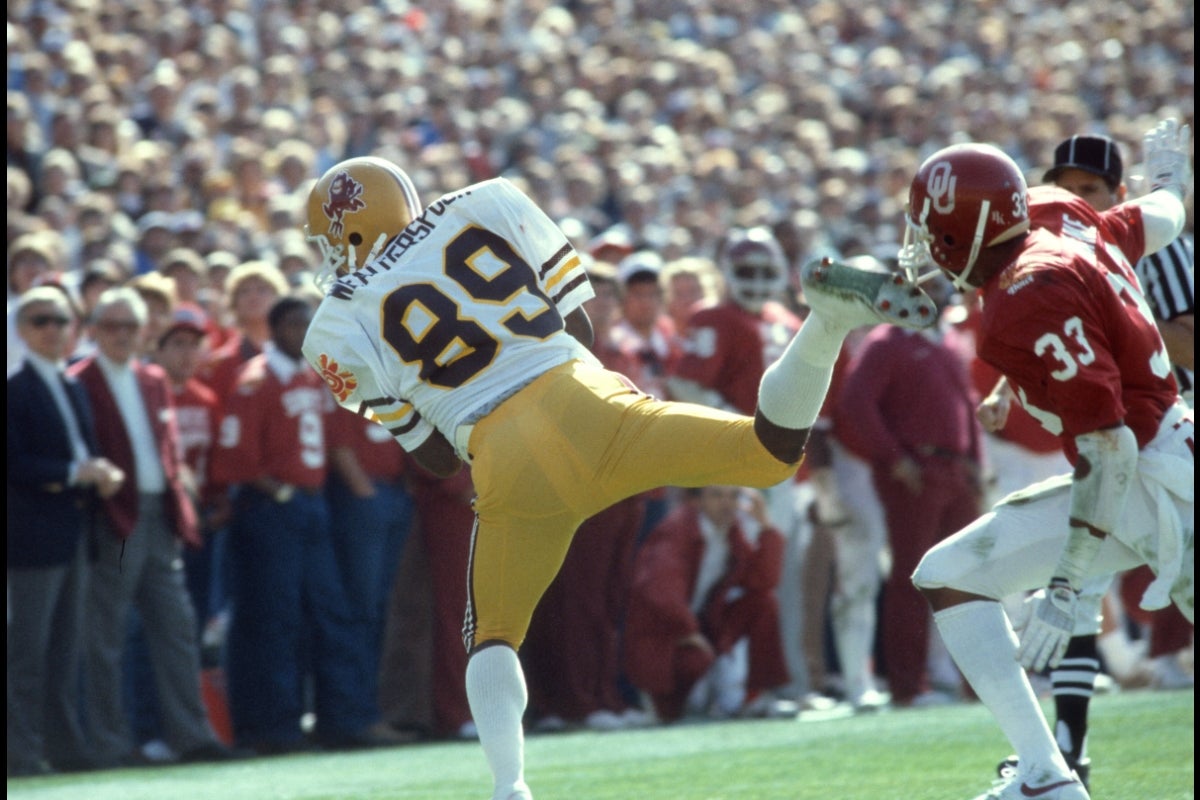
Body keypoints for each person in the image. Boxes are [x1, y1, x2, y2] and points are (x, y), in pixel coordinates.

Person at [299, 155, 935, 800]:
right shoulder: (484, 202)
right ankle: (825, 324)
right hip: (585, 400)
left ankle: (510, 786)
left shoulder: (333, 323)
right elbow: (578, 324)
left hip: (501, 453)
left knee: (492, 634)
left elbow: (432, 457)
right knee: (770, 454)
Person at [902, 118, 1193, 800]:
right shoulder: (1055, 213)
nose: (922, 247)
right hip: (1161, 456)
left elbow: (1111, 447)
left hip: (1157, 484)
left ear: (964, 232)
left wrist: (1066, 584)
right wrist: (1174, 183)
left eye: (929, 230)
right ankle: (1044, 776)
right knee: (949, 574)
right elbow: (1163, 216)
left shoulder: (1024, 299)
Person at [210, 295, 402, 754]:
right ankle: (274, 727)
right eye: (294, 324)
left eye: (308, 323)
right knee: (275, 619)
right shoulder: (256, 381)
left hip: (313, 506)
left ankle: (344, 718)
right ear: (274, 329)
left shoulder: (312, 375)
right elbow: (235, 459)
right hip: (273, 508)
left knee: (330, 612)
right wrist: (276, 491)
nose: (302, 331)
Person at [68, 287, 233, 767]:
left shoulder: (153, 378)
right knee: (107, 635)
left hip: (161, 514)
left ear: (143, 332)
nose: (121, 335)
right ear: (94, 330)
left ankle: (191, 734)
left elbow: (167, 447)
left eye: (130, 326)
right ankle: (110, 742)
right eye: (112, 325)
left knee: (177, 628)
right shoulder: (80, 379)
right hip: (116, 517)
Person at [835, 271, 984, 707]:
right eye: (925, 286)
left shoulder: (947, 340)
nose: (934, 295)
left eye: (939, 287)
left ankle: (975, 682)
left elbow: (965, 404)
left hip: (955, 471)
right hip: (916, 470)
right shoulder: (887, 341)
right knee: (911, 579)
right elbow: (855, 403)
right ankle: (906, 685)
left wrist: (975, 460)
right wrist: (894, 458)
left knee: (968, 576)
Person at [7, 286, 124, 776]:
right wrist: (80, 472)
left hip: (75, 529)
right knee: (28, 653)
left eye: (60, 320)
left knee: (64, 650)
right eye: (40, 321)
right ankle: (21, 751)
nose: (53, 329)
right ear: (22, 329)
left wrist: (99, 473)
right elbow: (16, 464)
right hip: (34, 535)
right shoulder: (14, 391)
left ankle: (63, 746)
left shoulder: (71, 385)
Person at [623, 485, 795, 722]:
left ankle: (756, 696)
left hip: (701, 625)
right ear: (697, 500)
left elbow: (763, 580)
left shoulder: (730, 531)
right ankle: (669, 709)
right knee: (694, 660)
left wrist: (766, 527)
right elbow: (660, 591)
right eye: (716, 495)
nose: (726, 504)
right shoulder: (678, 528)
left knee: (764, 603)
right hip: (664, 634)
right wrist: (689, 631)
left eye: (733, 496)